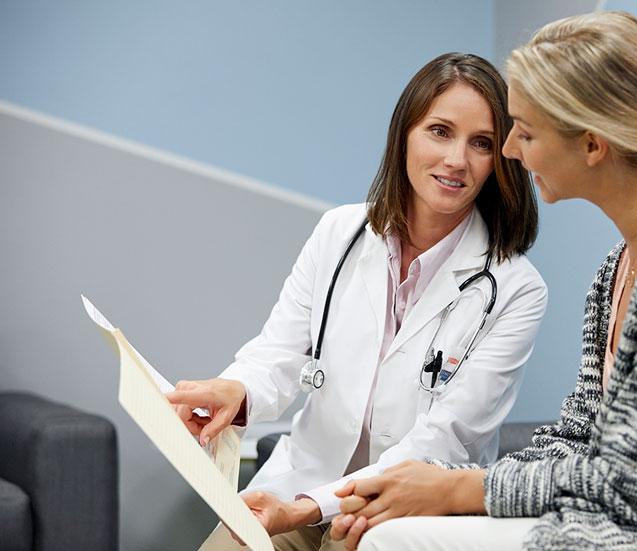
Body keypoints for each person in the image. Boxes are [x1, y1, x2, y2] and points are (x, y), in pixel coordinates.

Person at [329, 11, 637, 551]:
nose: (508, 153)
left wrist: (461, 488)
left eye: (524, 132)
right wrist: (425, 482)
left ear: (592, 145)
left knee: (393, 542)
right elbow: (582, 438)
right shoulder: (617, 270)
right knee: (389, 528)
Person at [165, 52, 547, 550]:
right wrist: (236, 391)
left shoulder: (516, 289)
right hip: (299, 483)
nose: (457, 159)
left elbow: (440, 441)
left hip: (400, 513)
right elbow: (278, 352)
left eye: (482, 143)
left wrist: (310, 507)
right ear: (404, 134)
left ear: (501, 160)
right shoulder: (339, 233)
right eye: (439, 131)